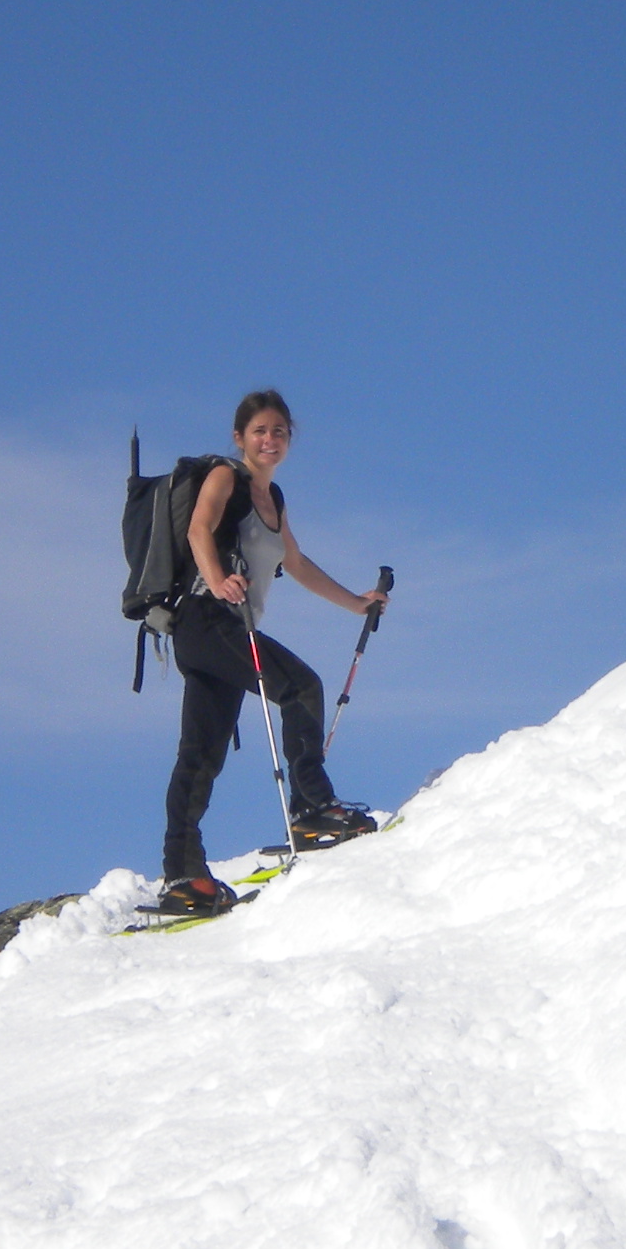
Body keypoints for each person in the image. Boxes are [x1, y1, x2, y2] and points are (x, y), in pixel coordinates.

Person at [156, 390, 389, 916]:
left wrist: (357, 604)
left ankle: (182, 874)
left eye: (279, 431)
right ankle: (311, 807)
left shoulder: (273, 499)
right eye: (260, 431)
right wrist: (218, 579)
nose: (270, 440)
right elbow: (199, 528)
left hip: (220, 630)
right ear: (240, 437)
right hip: (207, 619)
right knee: (300, 686)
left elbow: (296, 564)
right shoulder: (225, 477)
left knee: (202, 753)